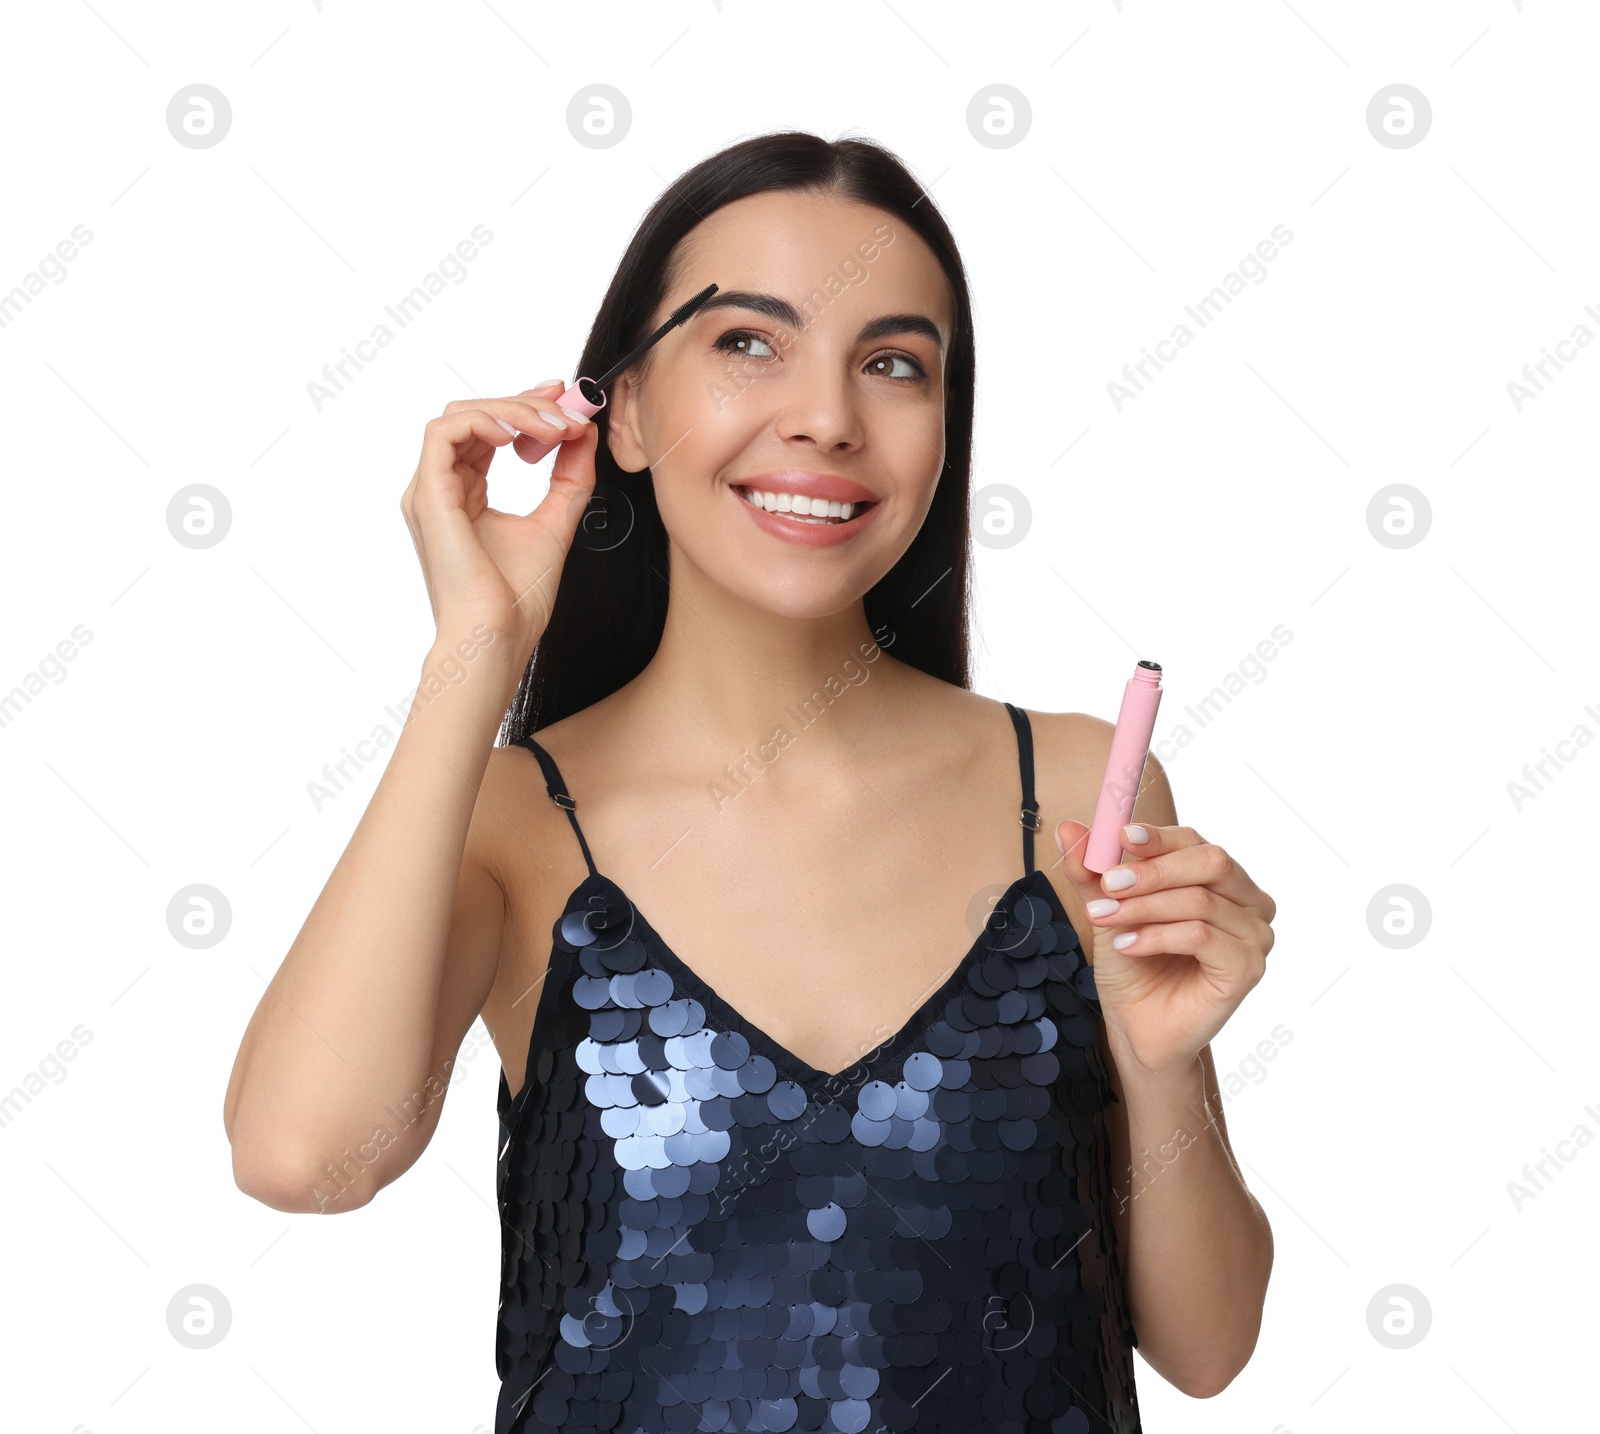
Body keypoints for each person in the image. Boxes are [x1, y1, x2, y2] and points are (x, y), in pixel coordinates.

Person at [224, 130, 1276, 1433]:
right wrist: (474, 652)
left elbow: (1210, 1344)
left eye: (894, 363)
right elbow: (302, 1154)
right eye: (747, 342)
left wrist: (1166, 1064)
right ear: (629, 411)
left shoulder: (1075, 787)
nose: (828, 416)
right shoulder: (510, 820)